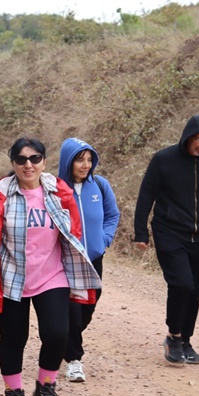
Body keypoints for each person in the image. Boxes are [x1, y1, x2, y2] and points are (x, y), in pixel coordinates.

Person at [0, 137, 101, 396]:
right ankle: (14, 394)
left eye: (35, 158)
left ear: (44, 161)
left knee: (57, 334)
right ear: (13, 162)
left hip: (52, 275)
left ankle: (46, 386)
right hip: (10, 277)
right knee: (14, 338)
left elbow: (73, 228)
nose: (28, 164)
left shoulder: (58, 191)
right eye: (21, 159)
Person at [133, 114, 199, 366]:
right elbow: (146, 195)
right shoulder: (164, 159)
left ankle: (186, 340)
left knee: (196, 290)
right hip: (169, 231)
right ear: (188, 137)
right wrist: (141, 232)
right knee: (182, 284)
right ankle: (174, 335)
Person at [57, 137, 120, 382]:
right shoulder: (57, 188)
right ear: (68, 162)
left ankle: (64, 340)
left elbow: (112, 214)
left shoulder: (100, 185)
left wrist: (104, 239)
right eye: (79, 160)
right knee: (73, 308)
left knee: (88, 308)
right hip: (67, 261)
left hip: (94, 258)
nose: (85, 165)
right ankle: (74, 359)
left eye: (89, 159)